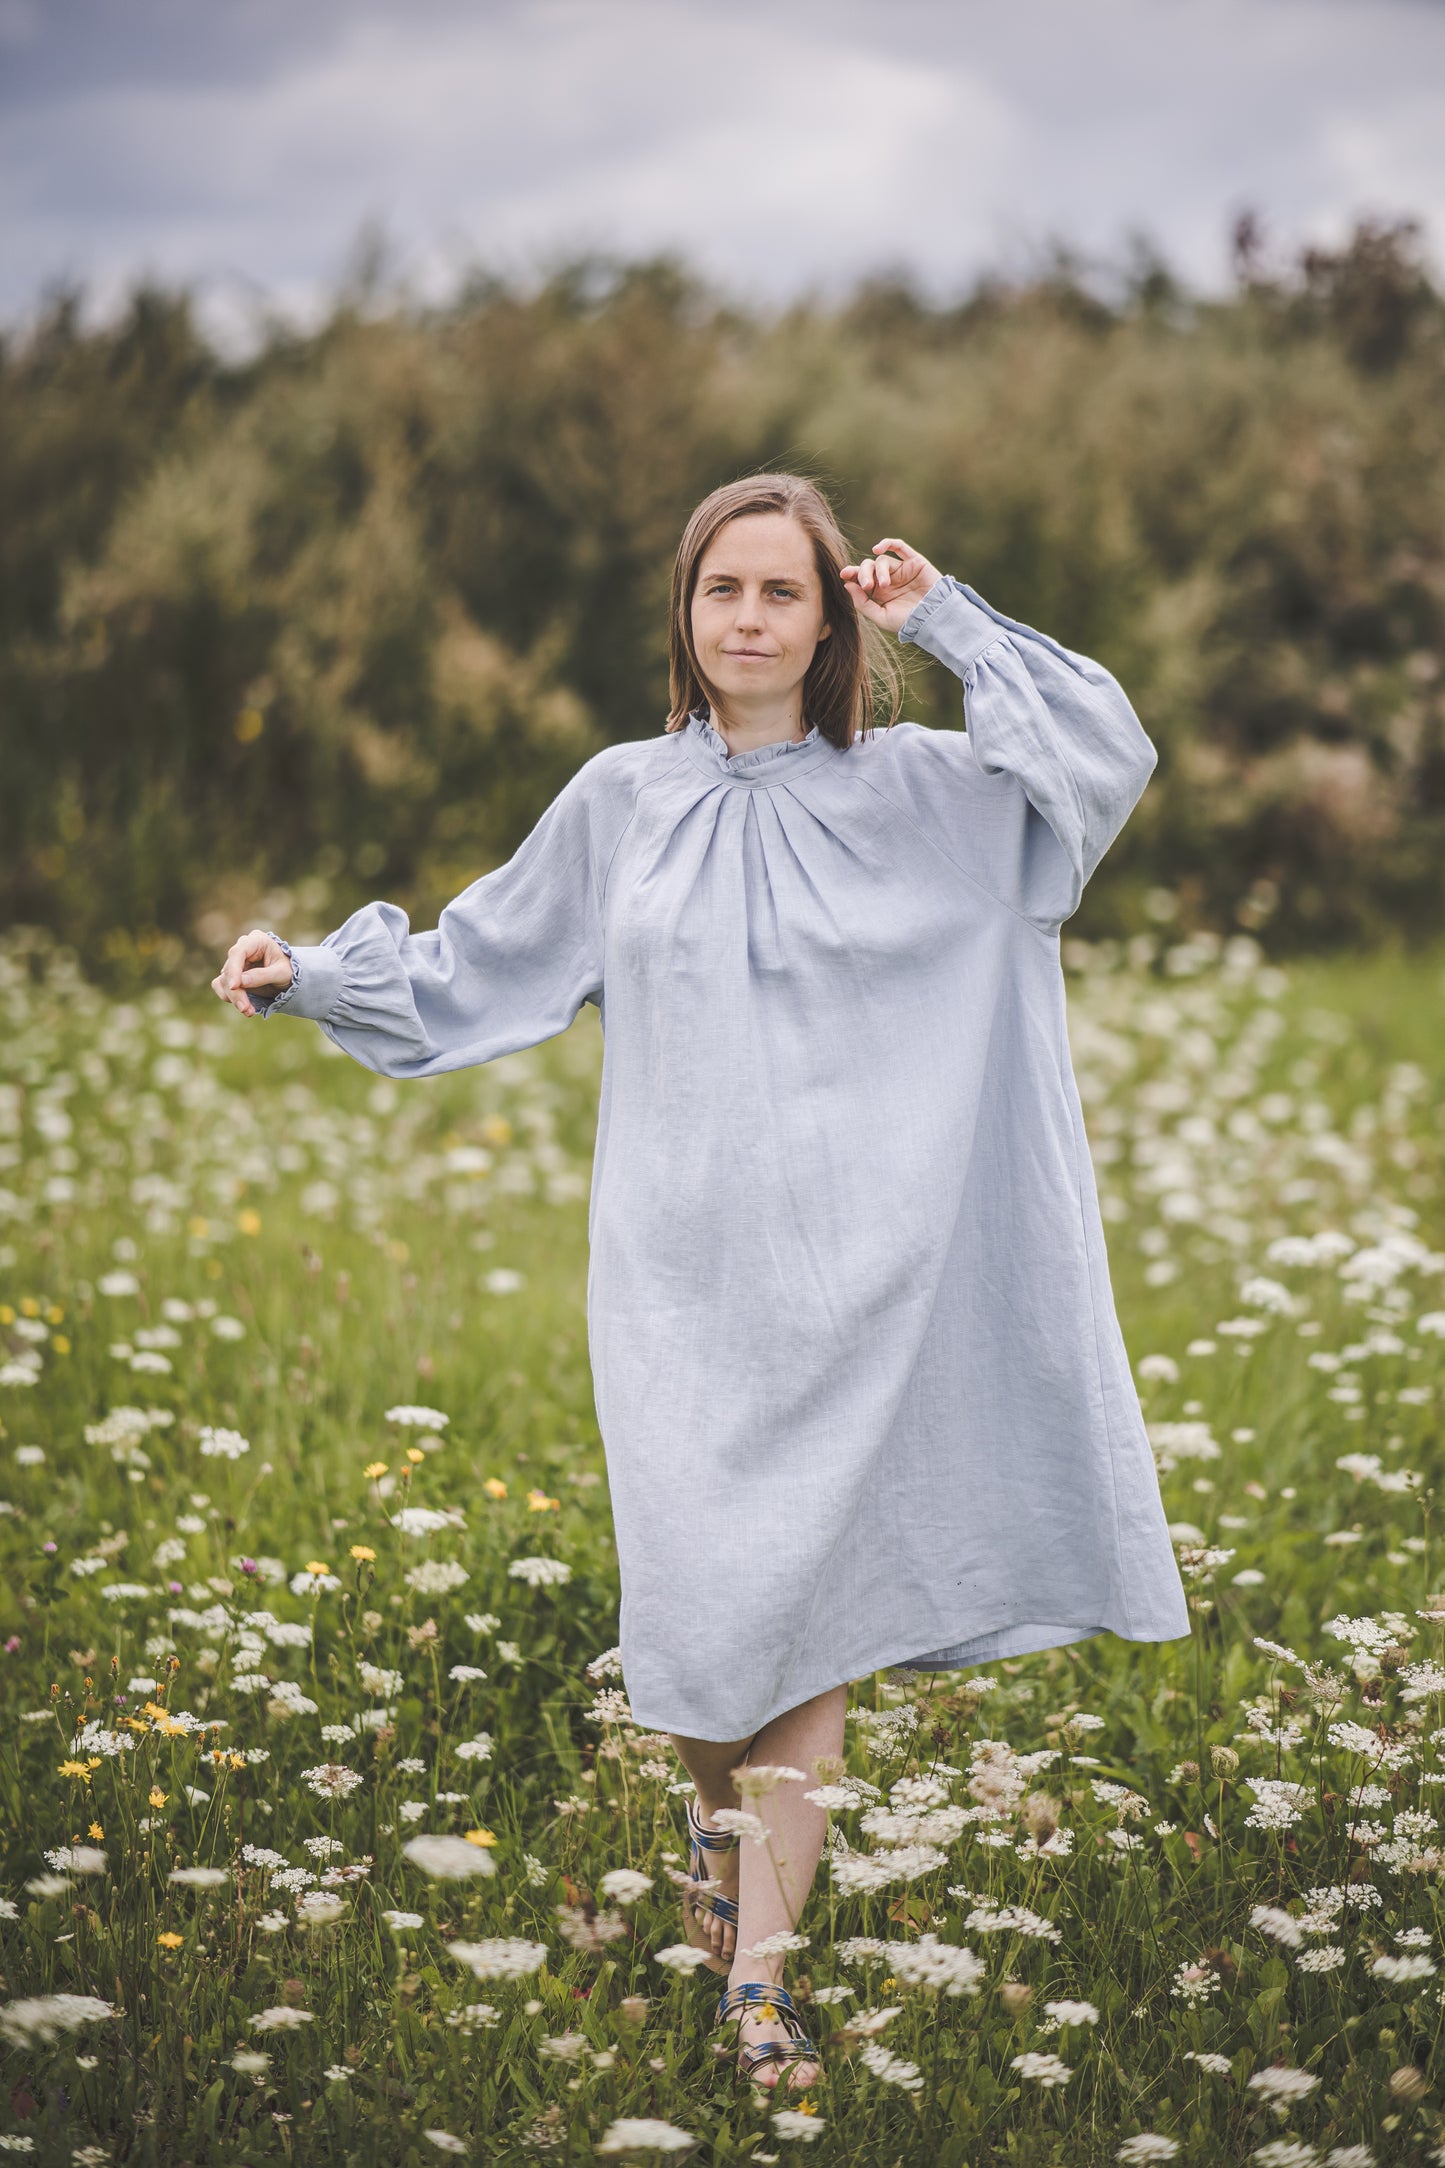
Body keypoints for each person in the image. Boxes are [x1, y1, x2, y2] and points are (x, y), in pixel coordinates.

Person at [212, 473, 1190, 2092]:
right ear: (684, 613)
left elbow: (1102, 756)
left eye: (781, 595)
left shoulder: (937, 796)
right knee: (695, 1630)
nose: (747, 619)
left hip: (867, 1277)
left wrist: (941, 617)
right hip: (678, 1279)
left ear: (828, 624)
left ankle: (759, 1989)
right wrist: (309, 975)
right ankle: (710, 1823)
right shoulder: (619, 800)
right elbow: (480, 962)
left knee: (801, 1623)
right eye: (720, 591)